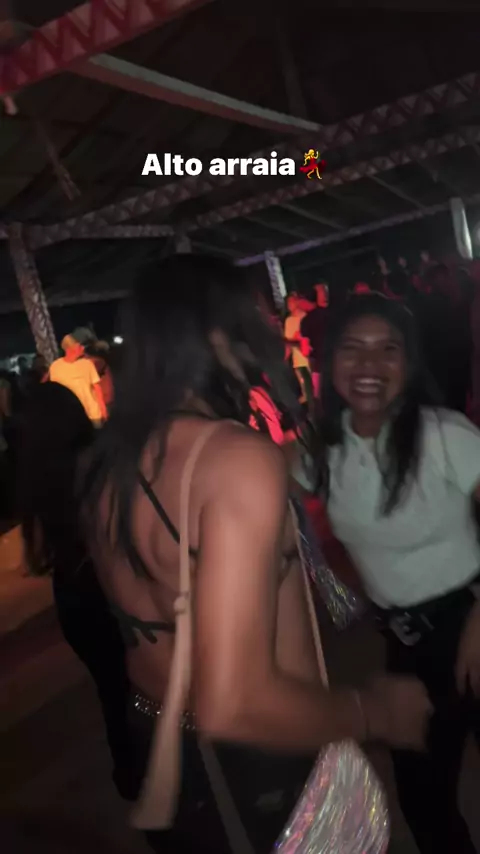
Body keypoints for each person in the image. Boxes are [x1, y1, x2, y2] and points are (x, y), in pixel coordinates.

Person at [81, 255, 430, 854]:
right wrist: (374, 712)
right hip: (257, 761)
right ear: (219, 335)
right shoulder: (232, 458)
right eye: (258, 320)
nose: (268, 336)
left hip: (161, 738)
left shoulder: (107, 464)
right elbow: (234, 702)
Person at [312, 293, 480, 854]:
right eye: (352, 348)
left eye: (388, 349)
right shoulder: (321, 450)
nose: (370, 364)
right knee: (424, 800)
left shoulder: (443, 433)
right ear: (330, 360)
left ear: (409, 364)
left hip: (470, 617)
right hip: (406, 643)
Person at [17, 382, 133, 799]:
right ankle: (156, 770)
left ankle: (130, 773)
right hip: (108, 585)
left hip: (73, 595)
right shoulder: (97, 464)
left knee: (112, 689)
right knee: (142, 684)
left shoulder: (37, 475)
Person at [48, 333, 107, 426]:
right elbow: (55, 392)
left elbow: (97, 388)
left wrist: (103, 409)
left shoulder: (87, 364)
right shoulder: (55, 367)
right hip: (71, 416)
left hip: (92, 414)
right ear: (70, 348)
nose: (82, 348)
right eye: (79, 346)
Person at [284, 293, 313, 409]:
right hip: (297, 360)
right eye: (288, 302)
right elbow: (288, 341)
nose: (289, 304)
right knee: (305, 391)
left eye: (292, 301)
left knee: (312, 389)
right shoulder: (288, 320)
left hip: (308, 358)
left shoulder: (305, 316)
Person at [300, 283, 329, 399]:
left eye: (325, 291)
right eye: (322, 292)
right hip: (328, 364)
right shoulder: (335, 313)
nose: (325, 295)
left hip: (322, 366)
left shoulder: (307, 320)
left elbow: (305, 350)